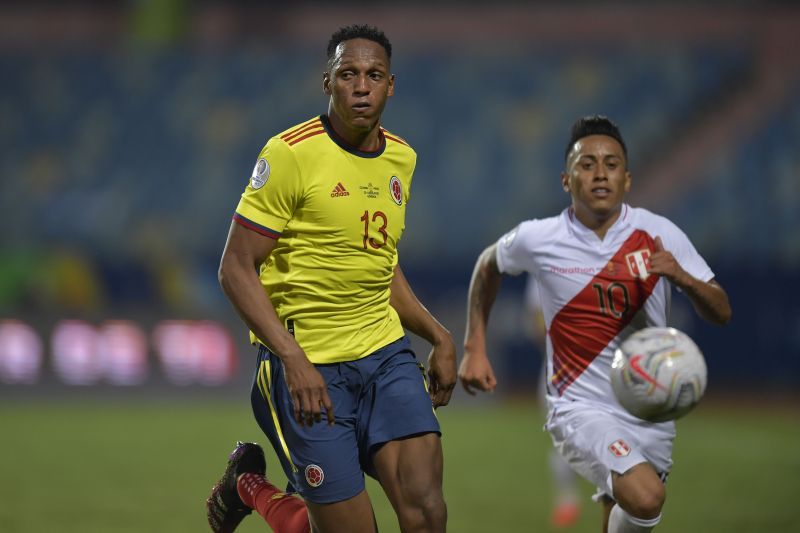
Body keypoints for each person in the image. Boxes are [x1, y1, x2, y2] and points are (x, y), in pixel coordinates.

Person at [207, 24, 457, 533]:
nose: (361, 86)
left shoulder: (401, 159)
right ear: (328, 83)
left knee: (427, 512)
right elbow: (235, 267)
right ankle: (247, 485)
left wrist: (439, 334)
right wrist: (292, 358)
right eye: (348, 74)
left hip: (385, 356)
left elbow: (378, 265)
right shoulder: (290, 154)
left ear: (392, 85)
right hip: (310, 367)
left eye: (373, 75)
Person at [459, 115, 731, 533]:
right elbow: (487, 264)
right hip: (578, 407)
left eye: (612, 164)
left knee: (629, 513)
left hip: (650, 406)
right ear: (566, 180)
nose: (600, 173)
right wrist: (475, 346)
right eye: (587, 164)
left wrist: (682, 277)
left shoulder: (658, 234)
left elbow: (721, 311)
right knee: (646, 496)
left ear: (627, 178)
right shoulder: (539, 238)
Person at [523, 276, 583, 528]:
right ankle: (567, 501)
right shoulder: (543, 258)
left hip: (604, 367)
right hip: (558, 368)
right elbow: (536, 318)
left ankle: (616, 496)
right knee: (561, 438)